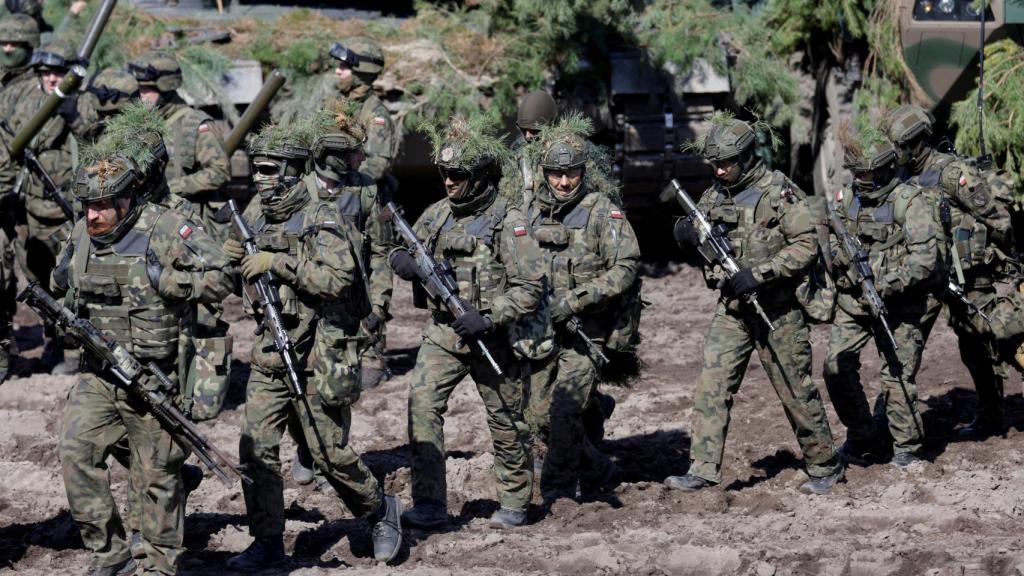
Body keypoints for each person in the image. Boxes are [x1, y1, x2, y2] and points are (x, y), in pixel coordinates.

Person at [52, 128, 232, 576]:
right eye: (87, 206)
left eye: (102, 207)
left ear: (128, 200)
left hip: (157, 377)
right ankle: (109, 554)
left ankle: (158, 564)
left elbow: (223, 277)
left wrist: (172, 283)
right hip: (100, 375)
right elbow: (62, 285)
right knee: (75, 452)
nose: (92, 215)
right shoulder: (81, 233)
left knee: (158, 479)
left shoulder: (169, 228)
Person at [223, 117, 401, 569]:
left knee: (328, 454)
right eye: (256, 170)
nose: (258, 179)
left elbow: (338, 279)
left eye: (267, 170)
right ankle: (267, 540)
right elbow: (231, 272)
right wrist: (226, 263)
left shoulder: (324, 213)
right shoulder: (257, 215)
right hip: (271, 349)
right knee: (255, 447)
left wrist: (276, 263)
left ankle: (379, 510)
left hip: (320, 350)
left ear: (290, 169)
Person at [665, 114, 843, 495]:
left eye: (726, 162)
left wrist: (760, 273)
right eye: (714, 163)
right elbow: (704, 235)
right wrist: (684, 233)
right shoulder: (714, 193)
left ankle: (824, 464)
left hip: (777, 310)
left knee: (795, 389)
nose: (719, 169)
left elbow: (806, 246)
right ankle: (703, 468)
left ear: (746, 157)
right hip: (732, 310)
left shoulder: (779, 192)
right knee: (712, 386)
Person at [390, 115, 543, 529]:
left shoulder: (508, 221)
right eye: (444, 173)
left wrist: (489, 316)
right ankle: (428, 503)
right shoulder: (436, 215)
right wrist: (399, 262)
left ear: (478, 177)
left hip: (495, 338)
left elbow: (531, 285)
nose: (449, 181)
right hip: (443, 333)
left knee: (508, 420)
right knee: (422, 407)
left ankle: (514, 501)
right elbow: (400, 246)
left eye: (458, 175)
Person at [523, 113, 639, 503]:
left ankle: (556, 493)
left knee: (562, 413)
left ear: (582, 172)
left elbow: (625, 269)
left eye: (570, 173)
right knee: (536, 417)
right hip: (542, 334)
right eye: (555, 173)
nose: (562, 182)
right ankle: (599, 465)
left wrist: (574, 300)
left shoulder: (601, 211)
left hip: (585, 334)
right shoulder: (532, 214)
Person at [886, 104, 1020, 439]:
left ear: (918, 142)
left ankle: (990, 416)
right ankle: (898, 431)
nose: (898, 152)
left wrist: (981, 253)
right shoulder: (901, 178)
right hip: (921, 279)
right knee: (903, 350)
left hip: (966, 277)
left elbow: (999, 221)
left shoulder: (951, 173)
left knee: (983, 345)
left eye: (903, 145)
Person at [287, 98, 397, 487]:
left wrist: (379, 303)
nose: (362, 158)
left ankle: (331, 456)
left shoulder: (366, 190)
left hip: (346, 308)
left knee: (337, 388)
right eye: (353, 152)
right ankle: (306, 446)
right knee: (293, 387)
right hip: (301, 306)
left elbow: (382, 252)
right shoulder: (296, 192)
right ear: (331, 155)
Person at [823, 124, 945, 467]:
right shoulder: (847, 198)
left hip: (902, 304)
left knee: (896, 375)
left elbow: (924, 261)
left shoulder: (910, 201)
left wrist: (885, 282)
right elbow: (834, 238)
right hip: (854, 303)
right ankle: (863, 435)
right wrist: (840, 261)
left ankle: (907, 448)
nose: (861, 179)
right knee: (835, 367)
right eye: (856, 172)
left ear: (887, 168)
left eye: (868, 173)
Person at [128, 50, 233, 421]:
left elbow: (220, 172)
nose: (141, 95)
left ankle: (206, 394)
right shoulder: (138, 124)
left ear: (167, 86)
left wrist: (176, 186)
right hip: (152, 229)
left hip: (192, 228)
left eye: (147, 89)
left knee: (204, 313)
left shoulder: (194, 124)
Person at [0, 40, 84, 373]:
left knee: (69, 282)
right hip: (26, 211)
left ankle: (75, 350)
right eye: (47, 72)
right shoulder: (20, 101)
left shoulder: (80, 103)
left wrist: (75, 116)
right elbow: (7, 149)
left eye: (58, 72)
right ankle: (54, 339)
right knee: (35, 282)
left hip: (66, 211)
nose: (52, 78)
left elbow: (97, 140)